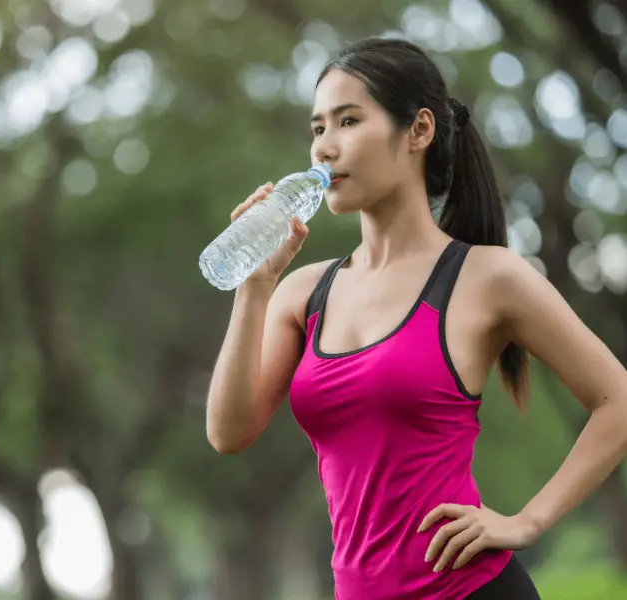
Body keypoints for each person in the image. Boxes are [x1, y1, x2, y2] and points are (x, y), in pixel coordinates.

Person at [205, 36, 627, 600]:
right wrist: (253, 288)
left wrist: (526, 522)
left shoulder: (487, 277)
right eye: (318, 128)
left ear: (420, 130)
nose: (325, 149)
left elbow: (616, 399)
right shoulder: (304, 292)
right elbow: (228, 433)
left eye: (349, 121)